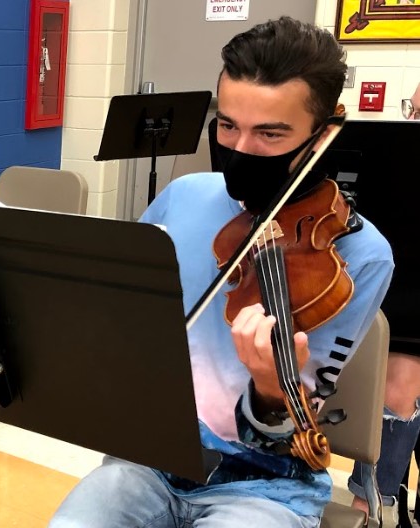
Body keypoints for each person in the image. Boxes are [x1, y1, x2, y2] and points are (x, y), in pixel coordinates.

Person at [49, 17, 394, 528]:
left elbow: (293, 425)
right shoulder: (184, 196)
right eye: (228, 125)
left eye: (270, 134)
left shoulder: (359, 255)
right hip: (148, 463)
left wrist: (271, 387)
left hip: (266, 486)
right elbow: (120, 314)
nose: (241, 149)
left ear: (323, 134)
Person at [348, 82, 420, 521]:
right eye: (413, 110)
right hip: (401, 275)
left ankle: (370, 506)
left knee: (400, 380)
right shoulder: (396, 154)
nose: (413, 121)